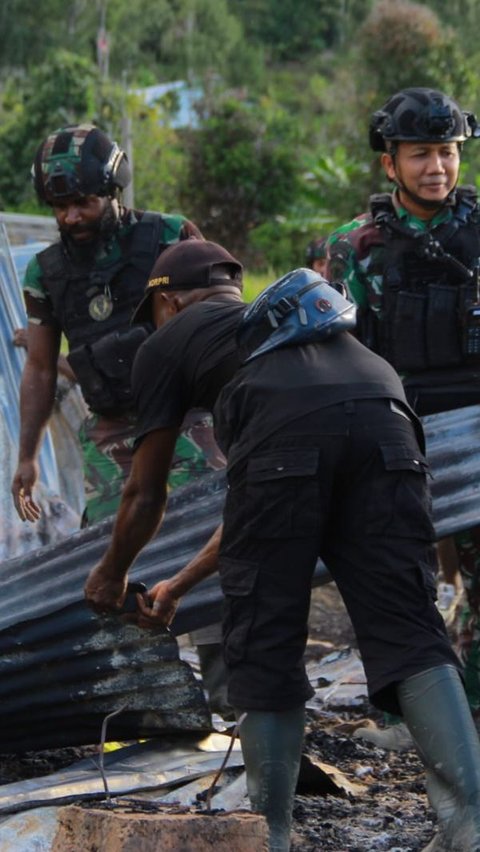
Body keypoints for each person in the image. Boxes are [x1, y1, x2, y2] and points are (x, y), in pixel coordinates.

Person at [84, 238, 480, 852]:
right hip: (388, 410)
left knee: (264, 633)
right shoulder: (285, 328)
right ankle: (470, 824)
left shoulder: (167, 343)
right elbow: (256, 503)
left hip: (291, 433)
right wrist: (180, 585)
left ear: (169, 302)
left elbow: (144, 493)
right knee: (410, 626)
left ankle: (269, 834)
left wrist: (111, 574)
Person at [326, 87, 480, 739]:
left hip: (475, 431)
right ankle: (408, 716)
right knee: (397, 584)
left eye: (448, 153)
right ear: (390, 164)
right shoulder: (355, 246)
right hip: (395, 434)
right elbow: (332, 356)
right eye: (421, 155)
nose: (438, 168)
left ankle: (470, 706)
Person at [11, 122, 214, 527]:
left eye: (83, 203)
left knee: (202, 536)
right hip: (111, 433)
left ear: (112, 191)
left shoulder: (171, 237)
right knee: (111, 559)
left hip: (187, 420)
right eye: (59, 207)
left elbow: (222, 322)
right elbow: (39, 367)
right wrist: (27, 457)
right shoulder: (45, 274)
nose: (71, 217)